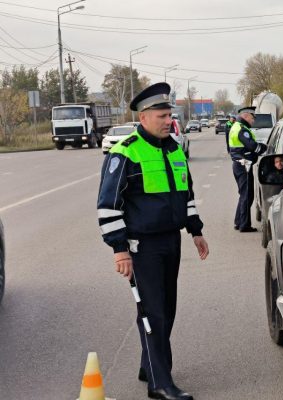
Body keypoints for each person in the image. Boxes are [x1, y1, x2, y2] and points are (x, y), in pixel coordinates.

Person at [97, 82, 209, 400]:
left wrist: (195, 230)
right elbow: (108, 204)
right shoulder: (125, 152)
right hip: (140, 245)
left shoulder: (173, 148)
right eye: (161, 115)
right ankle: (160, 383)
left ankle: (149, 365)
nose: (167, 120)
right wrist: (119, 249)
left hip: (170, 241)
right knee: (153, 313)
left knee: (166, 310)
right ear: (144, 117)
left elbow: (185, 195)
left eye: (168, 114)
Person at [228, 106, 267, 232]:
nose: (253, 120)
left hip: (239, 164)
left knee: (244, 194)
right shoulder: (241, 129)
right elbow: (252, 146)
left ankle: (239, 221)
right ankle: (244, 225)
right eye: (252, 117)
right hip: (244, 165)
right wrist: (264, 148)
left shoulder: (237, 126)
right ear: (245, 116)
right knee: (247, 195)